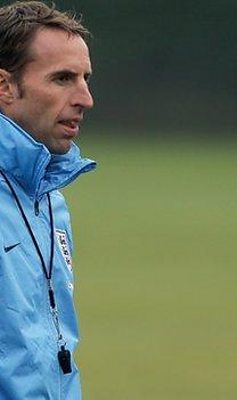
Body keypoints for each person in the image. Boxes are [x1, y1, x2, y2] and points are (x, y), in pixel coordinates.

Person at [0, 1, 95, 398]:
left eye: (85, 78)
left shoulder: (50, 200)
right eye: (62, 79)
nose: (85, 98)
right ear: (5, 87)